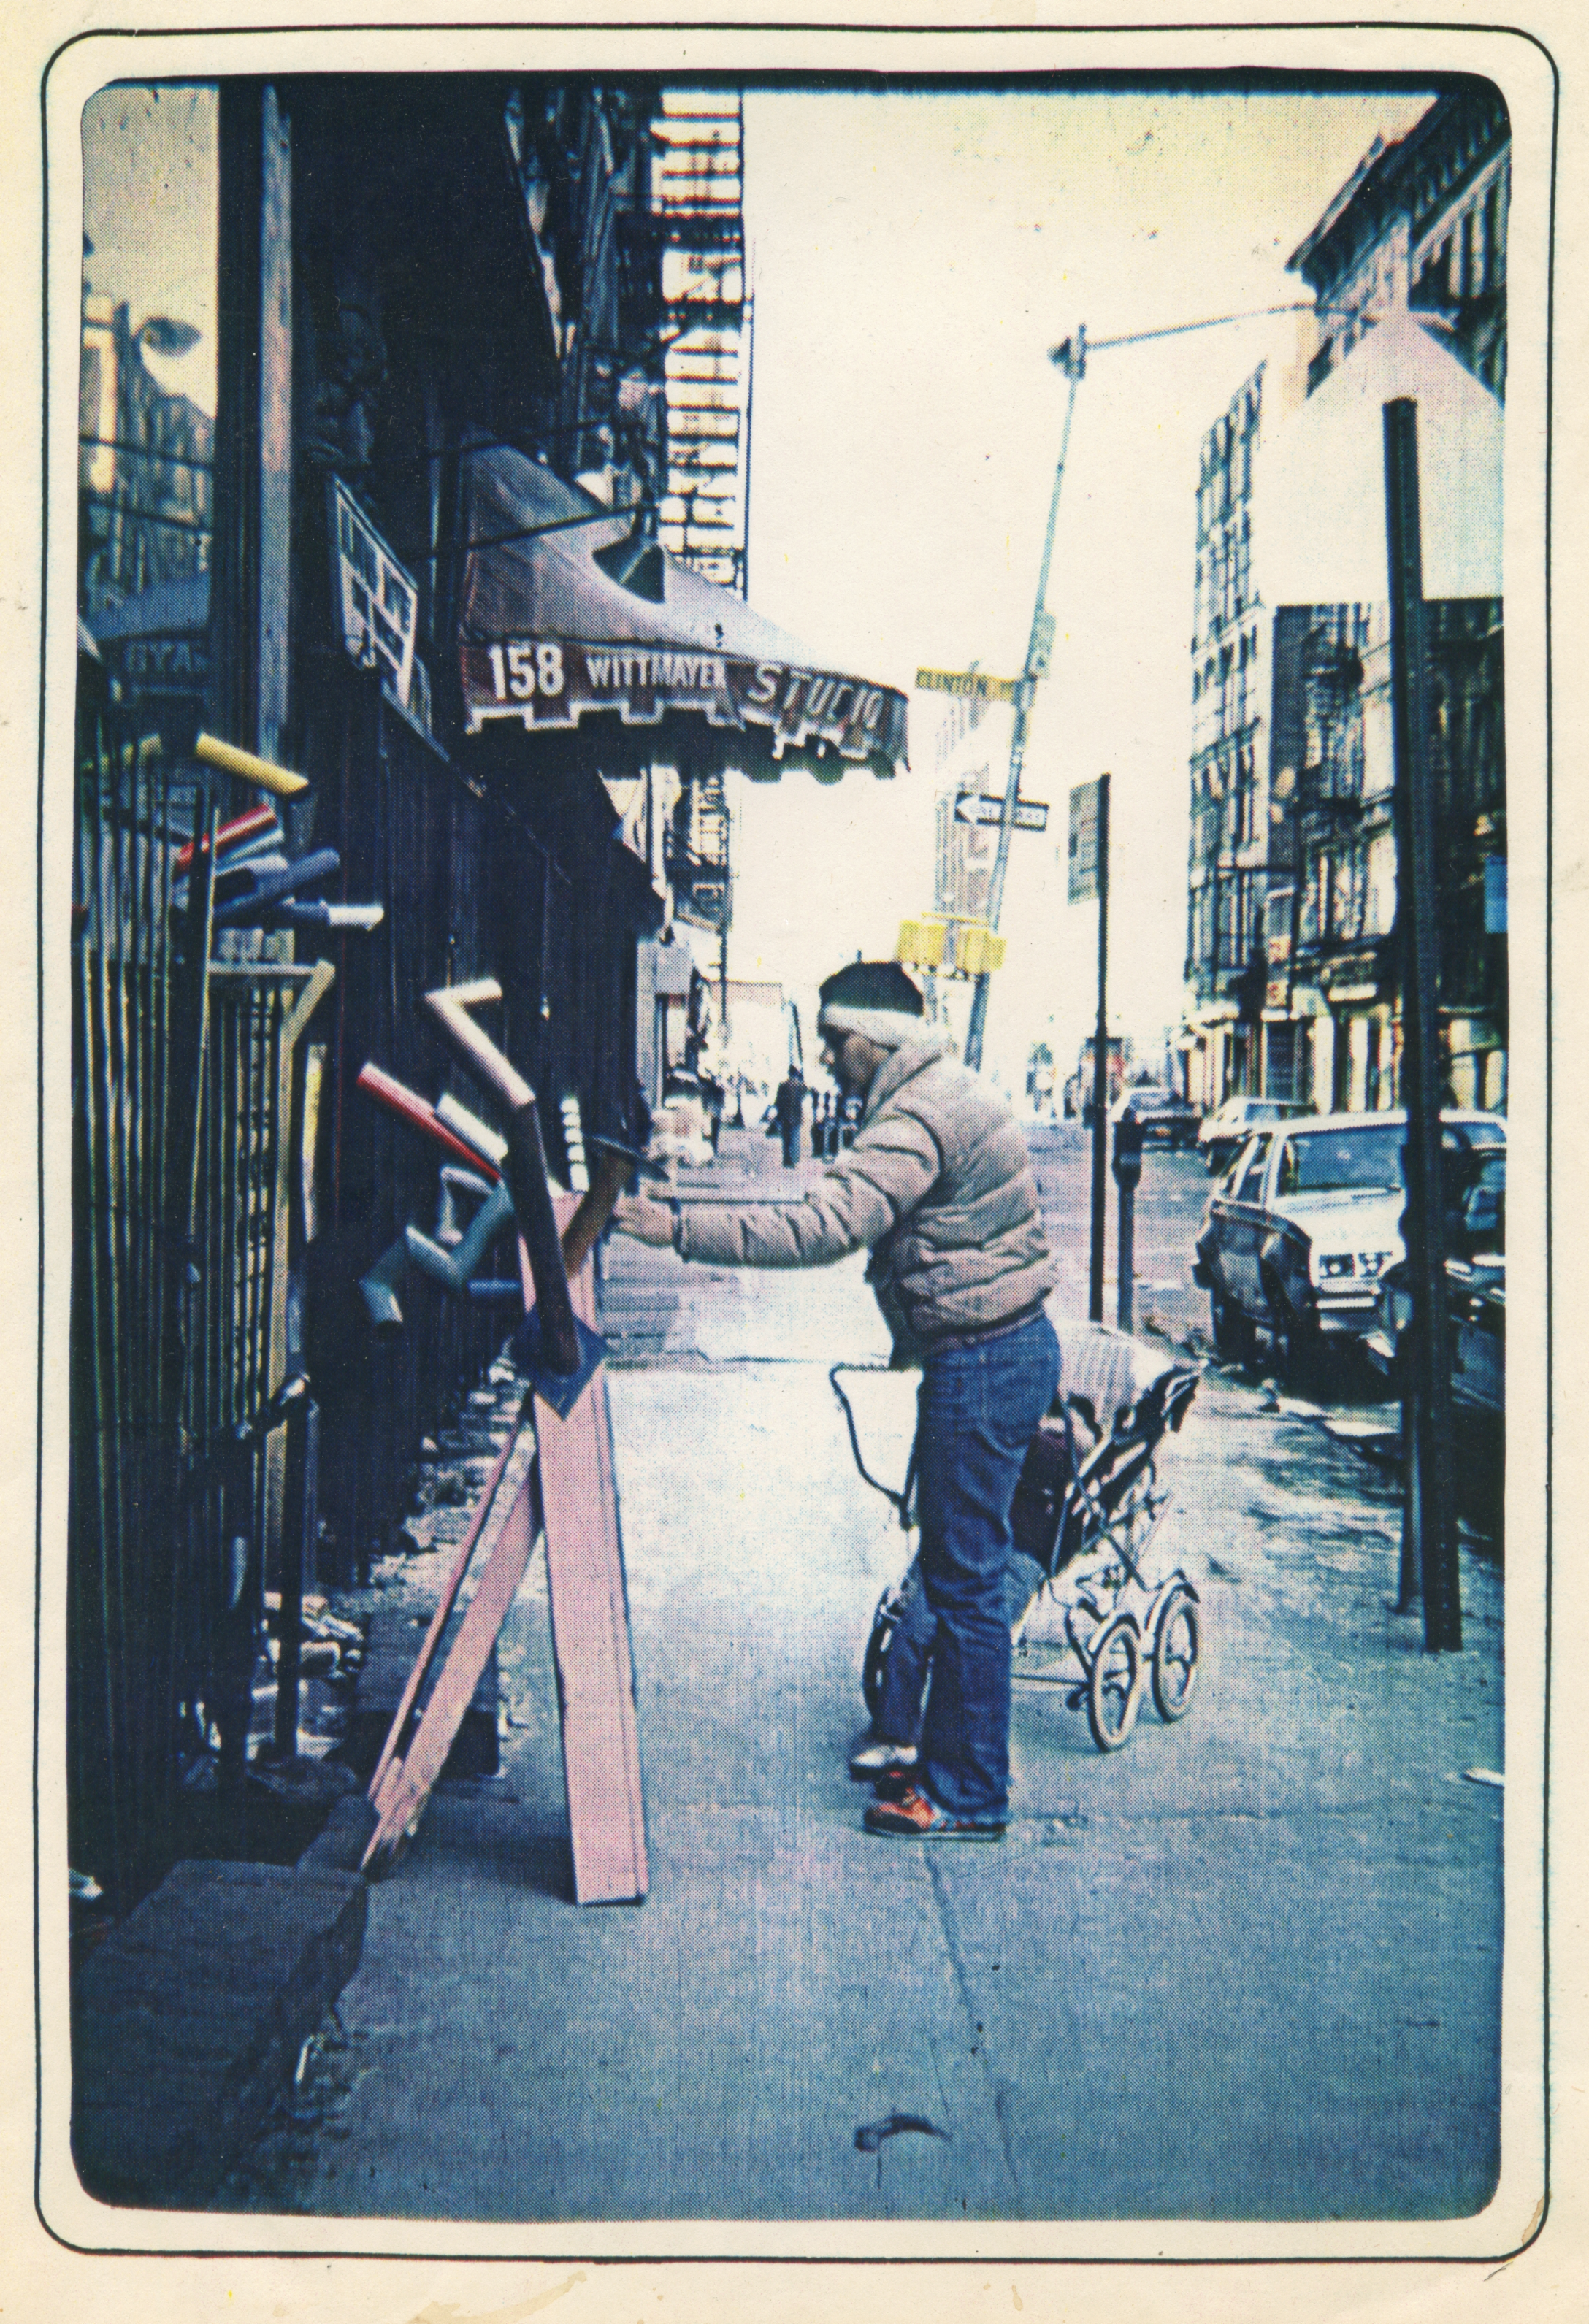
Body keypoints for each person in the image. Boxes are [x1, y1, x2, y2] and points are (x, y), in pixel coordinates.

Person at [614, 958, 1059, 1840]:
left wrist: (679, 1230)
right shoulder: (945, 1088)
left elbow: (820, 1227)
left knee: (964, 1586)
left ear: (873, 1039)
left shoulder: (916, 1116)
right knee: (958, 1573)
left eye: (832, 1043)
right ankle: (949, 1768)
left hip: (981, 1360)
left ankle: (968, 1794)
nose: (824, 1063)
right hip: (1005, 1348)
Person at [771, 1066, 805, 1168]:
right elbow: (805, 1093)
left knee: (786, 1139)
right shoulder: (800, 1086)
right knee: (795, 1138)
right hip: (796, 1117)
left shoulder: (783, 1085)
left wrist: (779, 1114)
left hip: (785, 1117)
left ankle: (786, 1159)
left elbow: (777, 1102)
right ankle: (793, 1159)